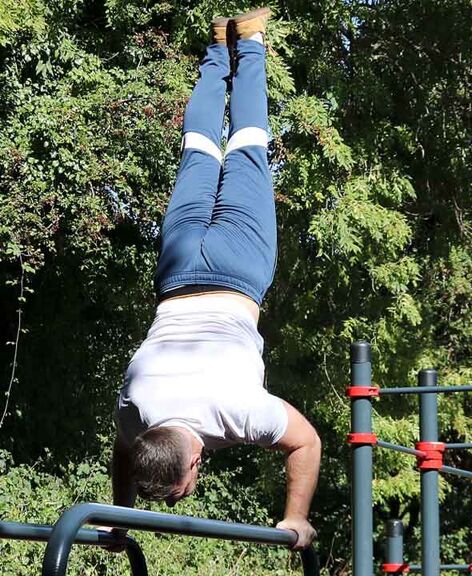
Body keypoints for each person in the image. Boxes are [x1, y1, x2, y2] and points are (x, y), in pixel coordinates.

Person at [110, 8, 320, 549]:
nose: (184, 492)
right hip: (176, 270)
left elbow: (307, 443)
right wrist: (119, 517)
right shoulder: (136, 414)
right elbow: (122, 452)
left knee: (248, 146)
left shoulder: (239, 412)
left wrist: (295, 518)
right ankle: (216, 48)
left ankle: (248, 43)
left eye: (183, 485)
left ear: (197, 458)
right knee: (200, 151)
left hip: (237, 271)